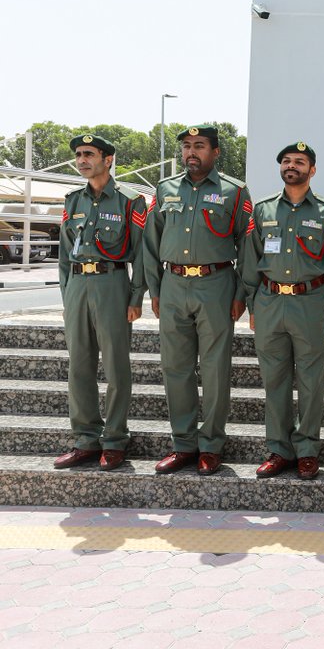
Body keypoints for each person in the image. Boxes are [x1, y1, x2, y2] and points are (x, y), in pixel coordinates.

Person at [144, 124, 253, 476]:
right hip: (173, 284)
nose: (192, 152)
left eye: (200, 146)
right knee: (174, 368)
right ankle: (183, 444)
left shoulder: (234, 192)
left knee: (215, 369)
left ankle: (211, 445)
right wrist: (155, 289)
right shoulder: (165, 189)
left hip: (216, 284)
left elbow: (247, 247)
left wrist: (241, 294)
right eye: (187, 146)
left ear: (216, 152)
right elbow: (150, 243)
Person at [243, 142, 324, 481]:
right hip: (270, 301)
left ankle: (306, 450)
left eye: (299, 162)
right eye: (286, 161)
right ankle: (279, 450)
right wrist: (251, 306)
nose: (292, 166)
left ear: (312, 170)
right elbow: (250, 261)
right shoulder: (261, 211)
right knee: (274, 380)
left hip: (311, 302)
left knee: (311, 381)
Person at [52, 134, 147, 472]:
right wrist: (67, 294)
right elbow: (64, 254)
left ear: (108, 159)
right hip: (78, 284)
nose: (82, 160)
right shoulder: (72, 200)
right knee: (79, 364)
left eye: (89, 154)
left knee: (117, 366)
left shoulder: (130, 200)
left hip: (112, 283)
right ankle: (85, 440)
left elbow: (143, 255)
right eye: (78, 155)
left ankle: (115, 439)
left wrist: (136, 297)